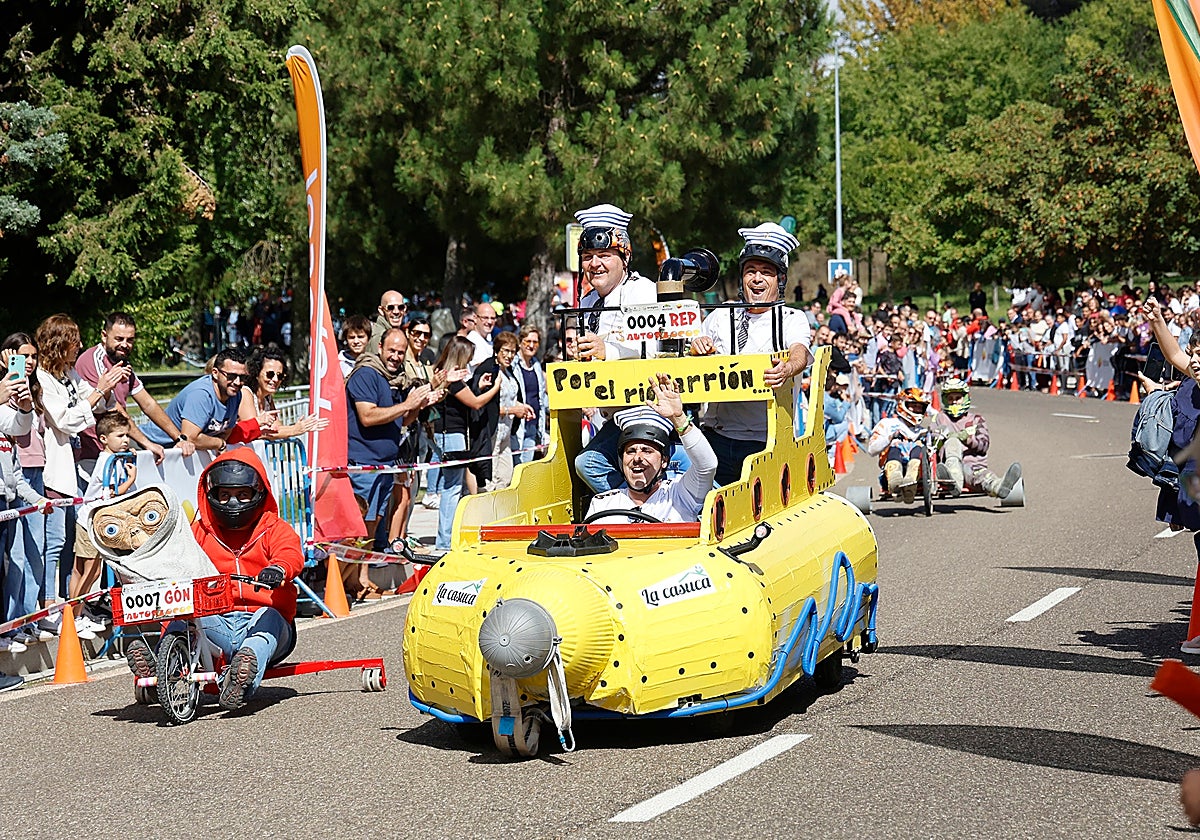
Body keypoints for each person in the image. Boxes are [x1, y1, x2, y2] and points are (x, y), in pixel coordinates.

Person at [124, 450, 306, 710]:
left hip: (263, 623)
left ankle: (244, 674)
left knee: (269, 619)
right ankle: (161, 669)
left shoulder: (275, 529)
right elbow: (172, 561)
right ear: (212, 496)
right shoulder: (198, 532)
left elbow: (290, 554)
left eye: (242, 495)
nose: (233, 503)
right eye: (225, 495)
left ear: (258, 494)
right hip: (216, 621)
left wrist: (279, 569)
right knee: (182, 610)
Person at [689, 222, 813, 487]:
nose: (757, 279)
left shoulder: (792, 318)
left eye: (766, 272)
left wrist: (788, 368)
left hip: (767, 441)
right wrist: (697, 346)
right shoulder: (721, 316)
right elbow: (693, 355)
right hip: (717, 438)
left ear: (780, 280)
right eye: (751, 271)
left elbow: (799, 353)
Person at [36, 314, 128, 637]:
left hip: (71, 472)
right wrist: (98, 391)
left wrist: (107, 388)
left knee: (72, 543)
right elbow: (67, 420)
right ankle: (48, 606)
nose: (78, 347)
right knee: (55, 543)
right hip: (53, 471)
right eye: (73, 341)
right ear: (59, 343)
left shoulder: (69, 374)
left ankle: (71, 606)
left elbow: (95, 402)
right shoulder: (43, 378)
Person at [345, 328, 437, 581]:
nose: (396, 357)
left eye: (400, 352)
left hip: (384, 463)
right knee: (359, 524)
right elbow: (367, 415)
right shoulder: (366, 374)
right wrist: (407, 404)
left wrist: (417, 405)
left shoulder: (395, 379)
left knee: (373, 524)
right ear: (380, 348)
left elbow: (402, 420)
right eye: (392, 351)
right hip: (363, 462)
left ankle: (362, 578)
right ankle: (352, 579)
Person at [586, 374, 718, 523]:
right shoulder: (602, 503)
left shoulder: (680, 494)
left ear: (664, 461)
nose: (637, 458)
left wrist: (678, 418)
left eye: (647, 451)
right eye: (630, 451)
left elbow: (707, 465)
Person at [75, 312, 196, 468]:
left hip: (116, 450)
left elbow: (148, 404)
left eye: (130, 340)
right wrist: (147, 443)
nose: (125, 345)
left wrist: (179, 438)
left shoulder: (123, 363)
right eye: (119, 339)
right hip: (93, 453)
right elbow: (114, 408)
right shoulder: (93, 360)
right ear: (104, 336)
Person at [430, 336, 501, 551]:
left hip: (446, 433)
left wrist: (477, 385)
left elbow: (463, 395)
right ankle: (444, 542)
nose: (469, 363)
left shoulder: (443, 375)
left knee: (451, 487)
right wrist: (495, 387)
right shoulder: (451, 379)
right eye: (468, 358)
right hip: (452, 434)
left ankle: (446, 538)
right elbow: (476, 402)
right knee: (451, 488)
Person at [0, 360, 51, 654]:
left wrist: (24, 408)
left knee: (7, 571)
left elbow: (20, 429)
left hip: (5, 503)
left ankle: (8, 630)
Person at [72, 412, 138, 632]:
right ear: (103, 439)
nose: (125, 440)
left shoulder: (116, 459)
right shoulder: (106, 462)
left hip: (93, 519)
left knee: (82, 571)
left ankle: (74, 614)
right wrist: (130, 481)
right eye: (119, 436)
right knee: (90, 571)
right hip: (90, 520)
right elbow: (109, 494)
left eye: (127, 435)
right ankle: (75, 615)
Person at [140, 347, 260, 452]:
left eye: (243, 377)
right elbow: (190, 438)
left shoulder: (235, 394)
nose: (237, 382)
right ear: (215, 373)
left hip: (178, 452)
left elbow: (226, 431)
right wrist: (219, 444)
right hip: (148, 445)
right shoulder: (201, 394)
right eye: (231, 376)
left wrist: (218, 444)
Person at [932, 378, 1021, 499]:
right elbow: (932, 440)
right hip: (947, 466)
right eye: (950, 399)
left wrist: (967, 439)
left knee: (981, 476)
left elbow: (984, 445)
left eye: (958, 398)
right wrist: (943, 439)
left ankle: (998, 486)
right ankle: (954, 481)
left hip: (972, 467)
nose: (954, 402)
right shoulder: (939, 418)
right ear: (945, 400)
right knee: (953, 442)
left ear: (965, 398)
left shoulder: (976, 420)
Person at [472, 332, 533, 492]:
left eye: (512, 352)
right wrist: (513, 410)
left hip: (507, 431)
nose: (509, 355)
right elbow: (485, 405)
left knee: (506, 477)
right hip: (492, 431)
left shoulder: (508, 371)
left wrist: (523, 407)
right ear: (497, 350)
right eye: (505, 350)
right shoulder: (489, 368)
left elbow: (510, 397)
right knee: (490, 480)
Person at [237, 345, 329, 440]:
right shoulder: (245, 393)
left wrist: (303, 427)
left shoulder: (267, 398)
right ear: (256, 373)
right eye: (270, 374)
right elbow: (254, 432)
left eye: (280, 376)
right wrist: (294, 430)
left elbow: (277, 428)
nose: (275, 379)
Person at [866, 387, 931, 505]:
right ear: (903, 405)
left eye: (919, 407)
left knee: (918, 447)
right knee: (895, 448)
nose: (916, 409)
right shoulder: (887, 424)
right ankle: (895, 478)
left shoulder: (923, 431)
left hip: (919, 473)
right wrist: (890, 438)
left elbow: (931, 457)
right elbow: (871, 450)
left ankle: (910, 481)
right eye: (913, 405)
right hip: (890, 465)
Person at [514, 325, 548, 462]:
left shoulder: (536, 365)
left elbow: (541, 396)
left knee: (526, 467)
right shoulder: (513, 365)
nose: (531, 345)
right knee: (514, 467)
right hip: (516, 427)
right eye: (528, 341)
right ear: (520, 342)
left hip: (533, 425)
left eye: (535, 342)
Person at [366, 290, 407, 354]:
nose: (396, 311)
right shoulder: (379, 337)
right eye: (390, 308)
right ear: (381, 310)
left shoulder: (392, 332)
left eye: (400, 307)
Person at [467, 303, 497, 371]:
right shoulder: (472, 341)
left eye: (493, 318)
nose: (489, 322)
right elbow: (484, 367)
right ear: (475, 318)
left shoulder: (488, 340)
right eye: (485, 318)